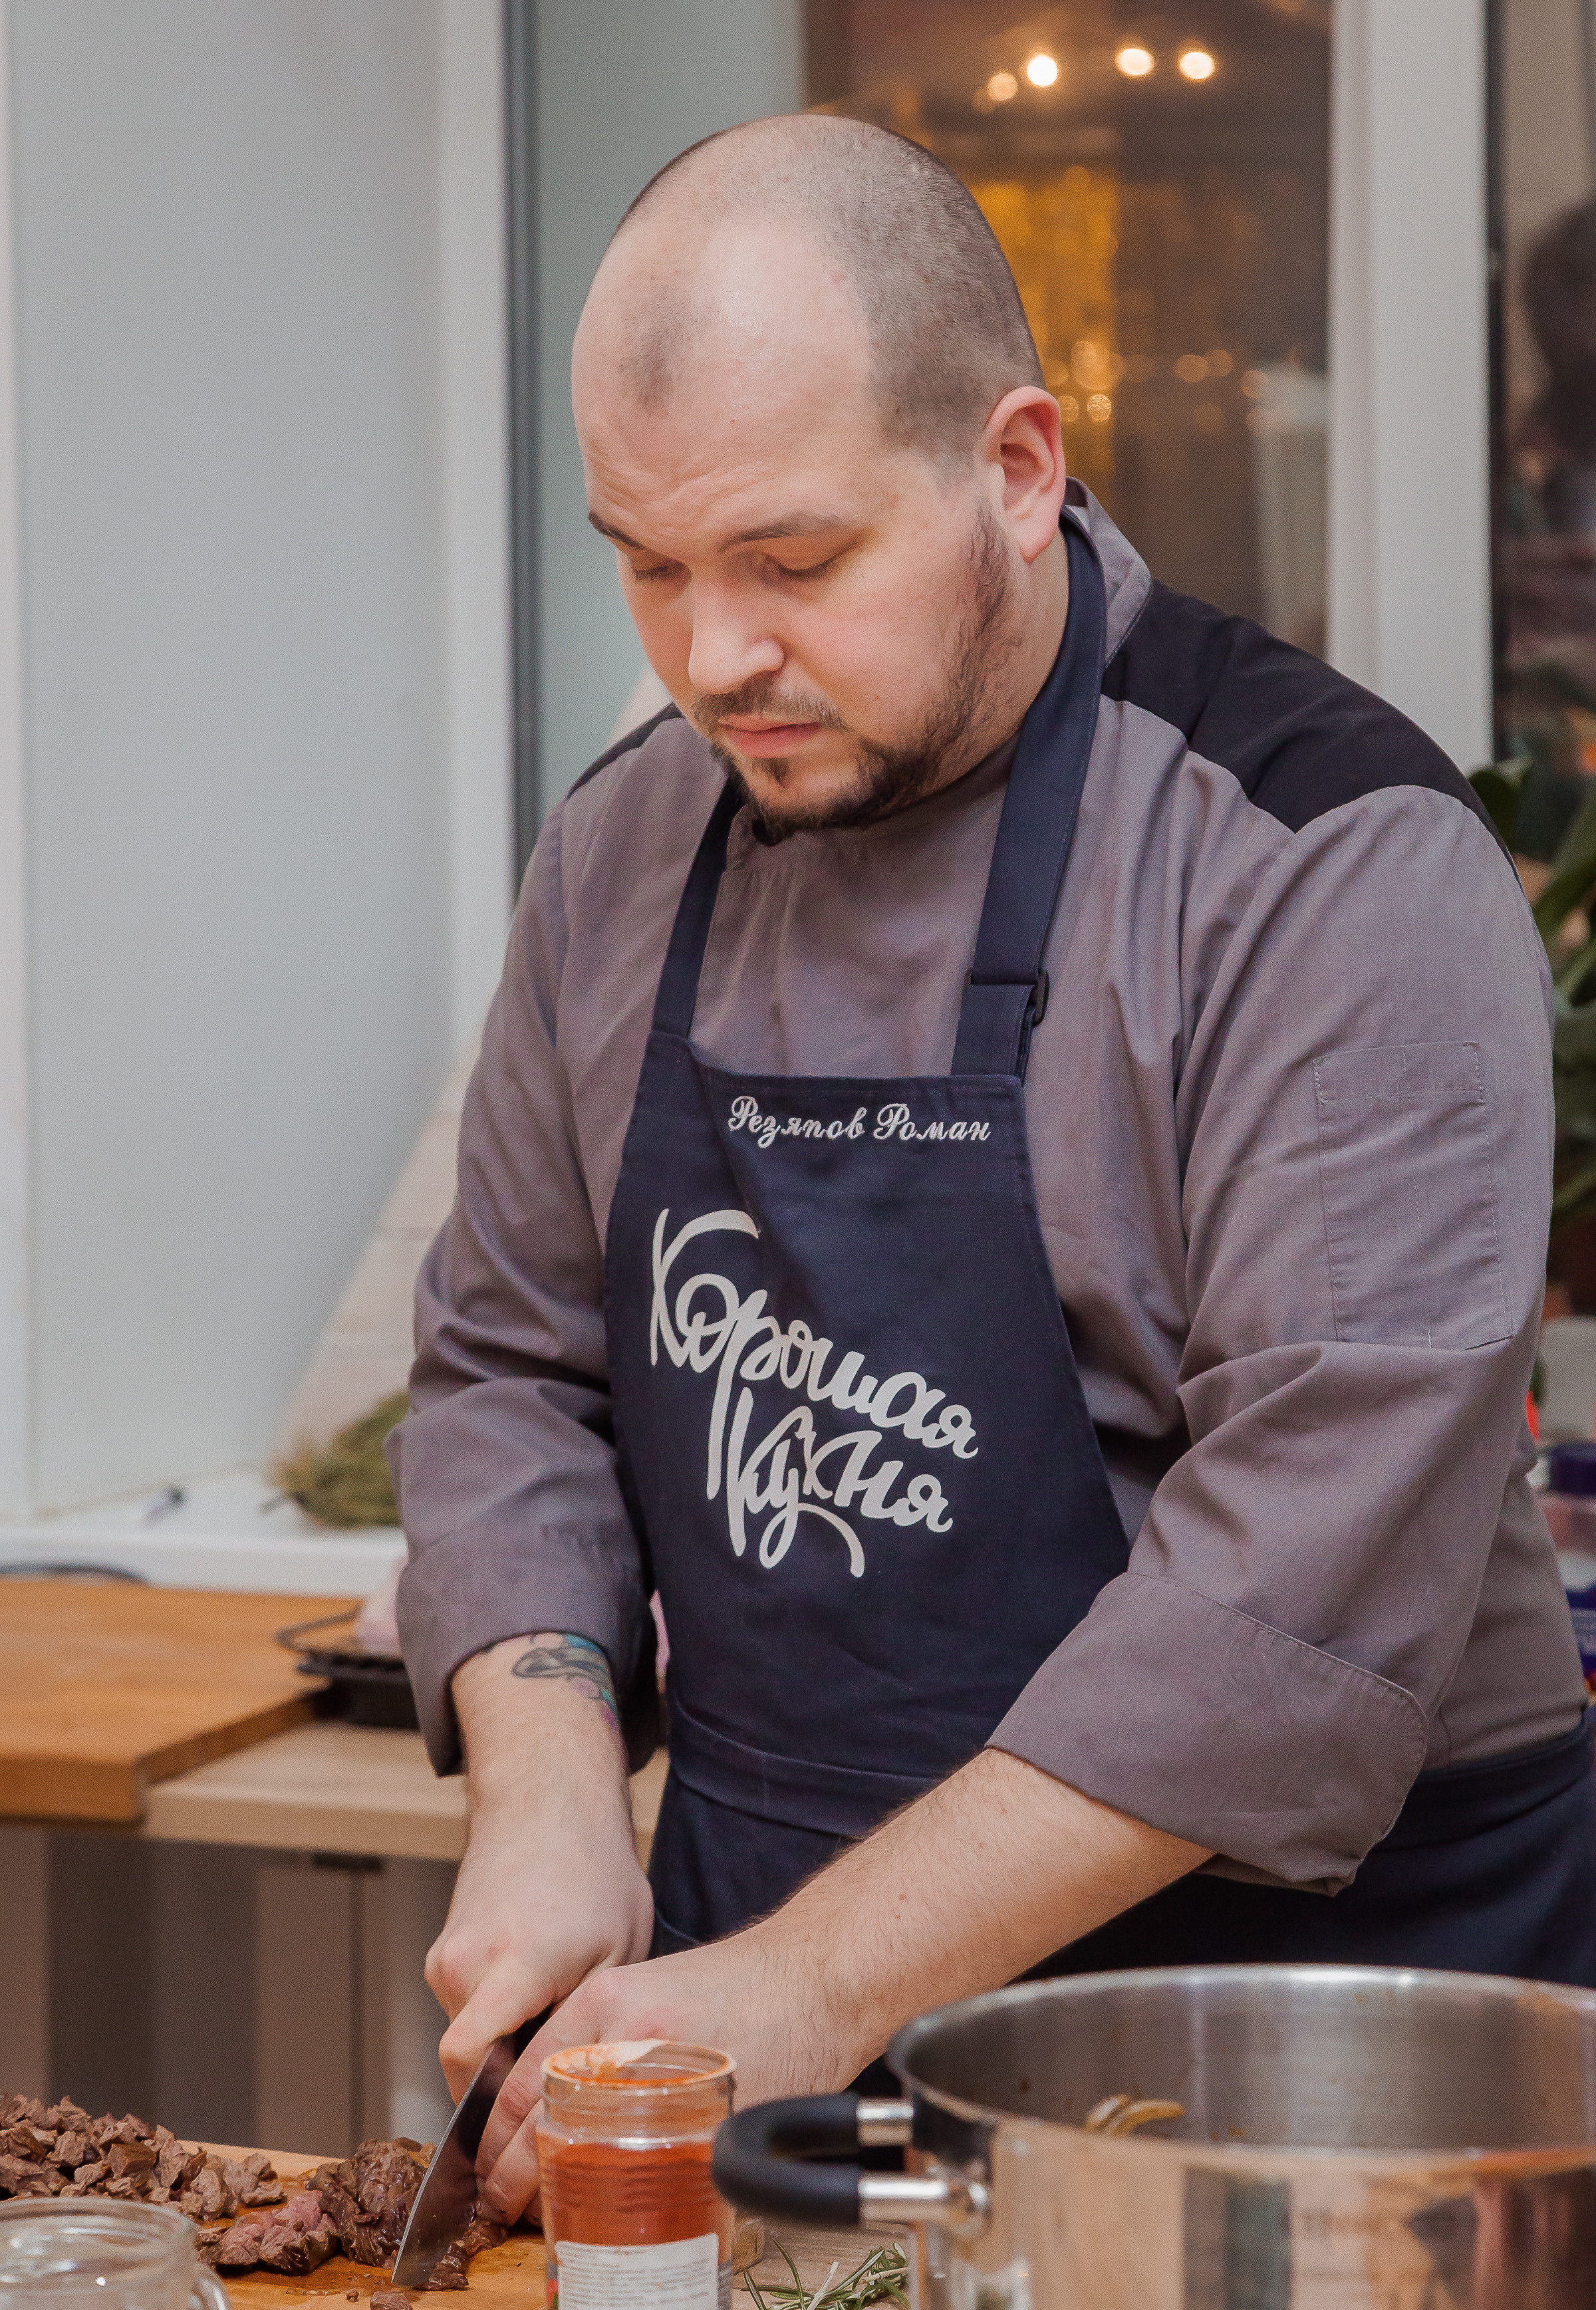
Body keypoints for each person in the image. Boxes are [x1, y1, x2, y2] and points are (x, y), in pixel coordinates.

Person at [390, 115, 1592, 2222]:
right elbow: (511, 1368)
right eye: (648, 565)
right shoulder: (617, 855)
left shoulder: (1323, 860)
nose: (709, 659)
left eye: (793, 559)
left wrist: (809, 1979)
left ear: (1018, 472)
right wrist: (553, 1783)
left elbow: (1287, 1601)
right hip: (765, 2018)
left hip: (1294, 2076)